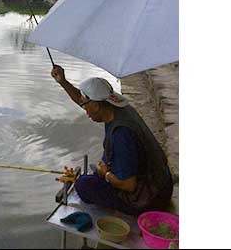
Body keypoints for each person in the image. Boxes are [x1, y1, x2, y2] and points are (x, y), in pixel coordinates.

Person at [51, 64, 173, 215]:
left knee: (83, 185)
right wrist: (63, 81)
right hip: (162, 183)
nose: (85, 110)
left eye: (85, 105)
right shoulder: (119, 110)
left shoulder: (121, 134)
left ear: (96, 105)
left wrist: (106, 174)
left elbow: (129, 185)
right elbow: (84, 101)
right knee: (96, 172)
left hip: (150, 199)